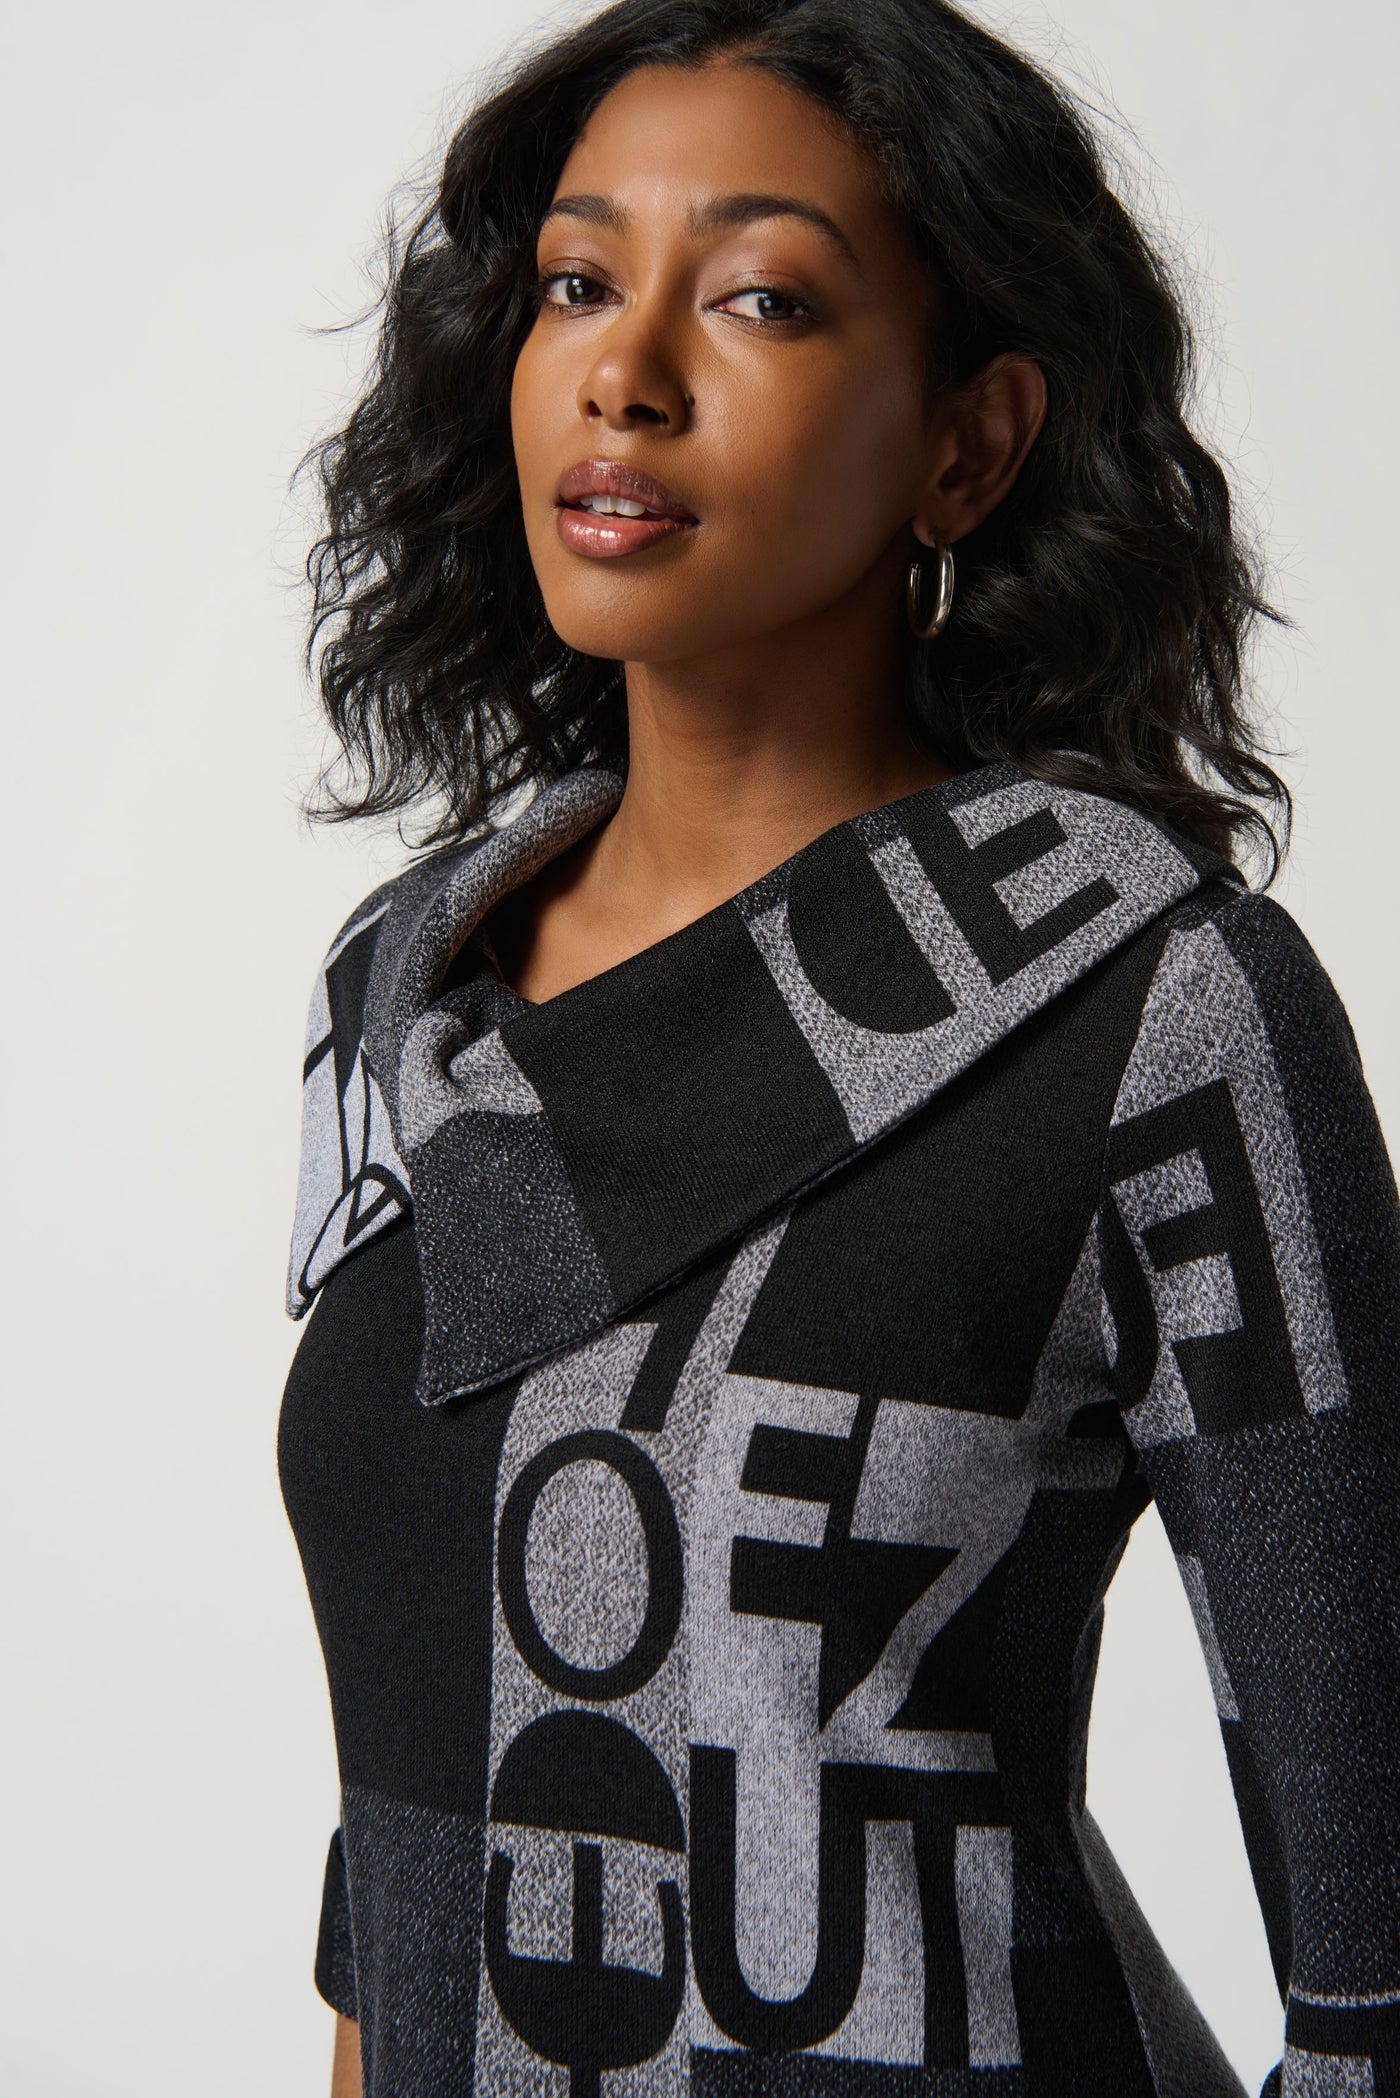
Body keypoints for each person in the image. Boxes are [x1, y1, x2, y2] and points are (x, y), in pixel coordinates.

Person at [276, 1, 1400, 2093]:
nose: (623, 373)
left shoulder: (1151, 1006)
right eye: (578, 284)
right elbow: (408, 1803)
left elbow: (1378, 1959)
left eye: (760, 298)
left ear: (968, 444)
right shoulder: (401, 995)